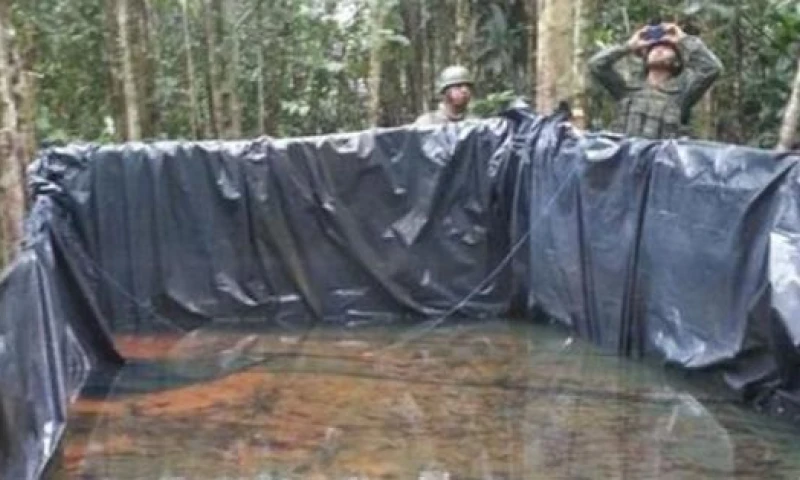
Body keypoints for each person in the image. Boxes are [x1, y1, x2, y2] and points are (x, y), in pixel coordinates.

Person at [588, 21, 723, 139]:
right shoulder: (626, 90)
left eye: (666, 48)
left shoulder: (682, 94)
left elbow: (712, 68)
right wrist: (629, 46)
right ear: (645, 59)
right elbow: (596, 65)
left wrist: (682, 39)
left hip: (659, 165)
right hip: (625, 161)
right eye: (653, 49)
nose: (658, 50)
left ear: (676, 62)